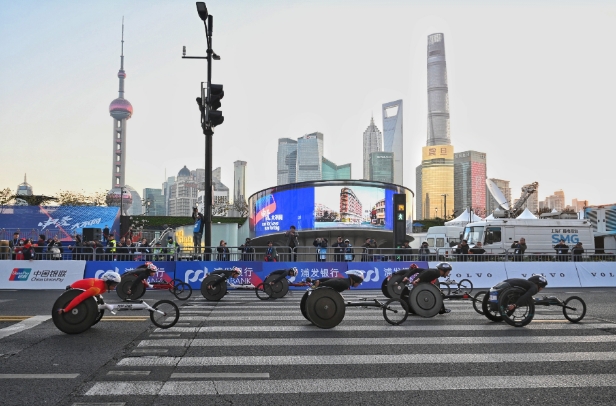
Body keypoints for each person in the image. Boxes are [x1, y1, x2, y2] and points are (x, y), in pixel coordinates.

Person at [57, 271, 122, 315]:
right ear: (108, 282)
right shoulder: (96, 289)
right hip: (71, 292)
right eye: (114, 284)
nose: (115, 287)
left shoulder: (103, 288)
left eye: (116, 284)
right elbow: (79, 298)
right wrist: (65, 310)